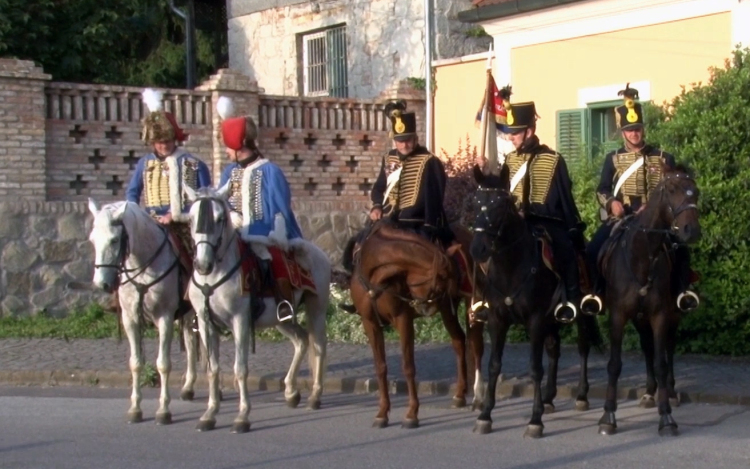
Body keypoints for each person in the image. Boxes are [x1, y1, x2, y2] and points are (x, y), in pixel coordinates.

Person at [581, 84, 699, 315]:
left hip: (656, 221)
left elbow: (674, 189)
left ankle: (682, 292)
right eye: (629, 129)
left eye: (637, 128)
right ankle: (597, 294)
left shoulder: (664, 157)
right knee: (593, 249)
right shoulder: (613, 158)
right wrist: (612, 203)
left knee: (681, 249)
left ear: (643, 129)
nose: (634, 133)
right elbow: (602, 189)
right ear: (622, 131)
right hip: (623, 218)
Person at [119, 88, 211, 315]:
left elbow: (202, 199)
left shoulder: (191, 164)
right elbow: (132, 194)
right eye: (159, 142)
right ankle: (118, 296)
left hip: (180, 223)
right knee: (123, 255)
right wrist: (136, 216)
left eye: (167, 140)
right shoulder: (144, 163)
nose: (163, 146)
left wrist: (176, 215)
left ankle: (197, 295)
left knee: (194, 256)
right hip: (150, 222)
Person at [499, 101, 587, 323]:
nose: (511, 137)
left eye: (516, 133)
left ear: (529, 131)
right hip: (515, 223)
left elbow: (564, 198)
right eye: (511, 133)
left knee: (565, 251)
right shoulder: (509, 160)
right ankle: (487, 300)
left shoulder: (553, 159)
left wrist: (572, 227)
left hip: (544, 221)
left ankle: (571, 301)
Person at [216, 97, 302, 321]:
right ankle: (203, 308)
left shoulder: (270, 171)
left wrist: (276, 232)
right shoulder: (228, 172)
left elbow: (280, 207)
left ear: (238, 145)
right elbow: (220, 200)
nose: (225, 152)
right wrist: (231, 216)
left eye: (227, 146)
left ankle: (284, 304)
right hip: (233, 232)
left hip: (263, 232)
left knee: (274, 259)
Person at [369, 100, 453, 247]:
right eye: (399, 141)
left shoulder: (430, 161)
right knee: (358, 247)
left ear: (415, 139)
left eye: (407, 140)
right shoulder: (389, 158)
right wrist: (376, 206)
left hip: (417, 223)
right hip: (387, 220)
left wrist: (429, 226)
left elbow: (434, 199)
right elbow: (378, 188)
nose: (403, 145)